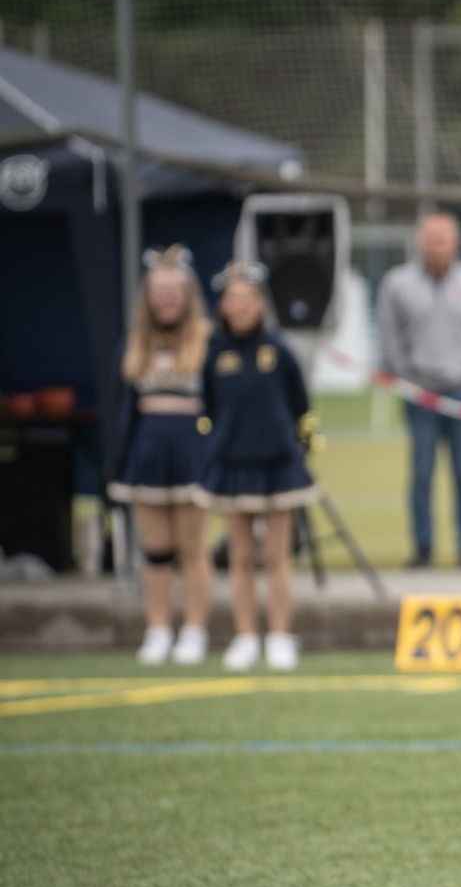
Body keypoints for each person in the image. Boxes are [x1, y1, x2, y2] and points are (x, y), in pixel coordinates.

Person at [199, 261, 319, 672]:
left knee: (277, 555)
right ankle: (246, 637)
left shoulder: (279, 350)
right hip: (234, 465)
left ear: (261, 303)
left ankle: (280, 637)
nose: (242, 306)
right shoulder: (214, 352)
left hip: (277, 465)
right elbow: (208, 405)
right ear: (222, 306)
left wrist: (297, 444)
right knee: (241, 556)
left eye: (249, 298)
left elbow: (300, 402)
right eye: (233, 299)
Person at [107, 246, 215, 666]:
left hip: (193, 453)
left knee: (193, 547)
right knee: (155, 549)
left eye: (174, 291)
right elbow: (122, 409)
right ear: (148, 297)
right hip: (148, 455)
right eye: (159, 291)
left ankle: (195, 630)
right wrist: (119, 462)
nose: (167, 299)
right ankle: (157, 630)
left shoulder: (206, 340)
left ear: (187, 295)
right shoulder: (135, 343)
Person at [377, 210, 461, 568]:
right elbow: (388, 337)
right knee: (421, 471)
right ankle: (422, 549)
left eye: (442, 238)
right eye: (431, 238)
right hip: (419, 395)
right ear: (419, 241)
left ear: (455, 241)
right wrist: (408, 379)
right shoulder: (397, 284)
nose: (437, 245)